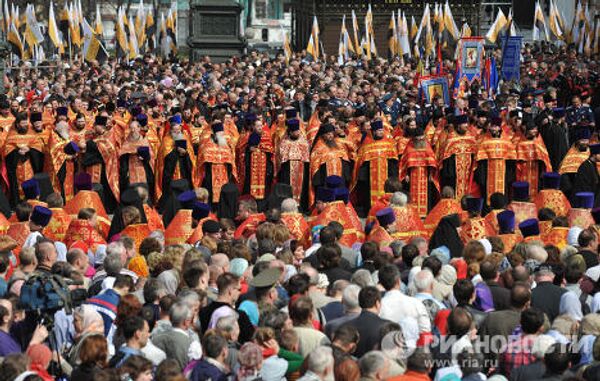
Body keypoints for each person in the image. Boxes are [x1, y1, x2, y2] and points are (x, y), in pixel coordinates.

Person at [351, 119, 398, 217]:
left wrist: (393, 175)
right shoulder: (366, 145)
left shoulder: (388, 144)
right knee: (368, 195)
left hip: (386, 175)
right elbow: (361, 162)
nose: (381, 132)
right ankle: (371, 213)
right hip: (370, 178)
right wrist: (362, 177)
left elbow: (393, 160)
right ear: (373, 132)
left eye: (382, 130)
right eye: (379, 130)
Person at [474, 116, 517, 206]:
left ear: (500, 127)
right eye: (492, 126)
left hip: (503, 175)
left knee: (503, 194)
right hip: (487, 175)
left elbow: (511, 161)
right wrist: (482, 179)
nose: (494, 129)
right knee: (487, 198)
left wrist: (509, 177)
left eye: (496, 126)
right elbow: (481, 161)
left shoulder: (506, 142)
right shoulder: (484, 141)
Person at [196, 121, 237, 208]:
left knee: (223, 191)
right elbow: (203, 155)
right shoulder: (207, 143)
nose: (223, 135)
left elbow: (229, 156)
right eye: (221, 134)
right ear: (215, 134)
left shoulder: (224, 143)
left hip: (224, 172)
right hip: (211, 172)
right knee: (211, 192)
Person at [342, 286, 390, 357]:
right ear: (377, 303)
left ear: (360, 303)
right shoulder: (388, 326)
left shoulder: (346, 326)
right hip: (377, 365)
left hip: (353, 366)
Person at [439, 114, 478, 200]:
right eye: (464, 124)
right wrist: (450, 174)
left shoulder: (470, 137)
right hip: (454, 173)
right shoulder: (451, 138)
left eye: (466, 124)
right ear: (458, 126)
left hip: (468, 171)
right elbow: (446, 157)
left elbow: (475, 153)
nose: (466, 126)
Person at [276, 119, 311, 210]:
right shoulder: (284, 143)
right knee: (288, 188)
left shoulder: (303, 142)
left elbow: (307, 157)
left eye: (298, 130)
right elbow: (281, 158)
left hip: (301, 169)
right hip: (288, 170)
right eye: (295, 131)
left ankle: (301, 207)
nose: (298, 132)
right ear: (290, 132)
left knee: (302, 189)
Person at [572, 143, 600, 208]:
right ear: (595, 155)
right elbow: (583, 187)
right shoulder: (585, 167)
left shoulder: (593, 165)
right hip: (585, 201)